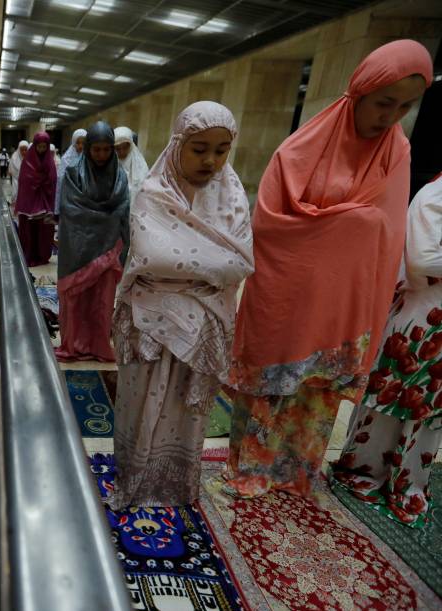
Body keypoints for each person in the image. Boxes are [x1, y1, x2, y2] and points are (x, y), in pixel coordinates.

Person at [226, 40, 434, 499]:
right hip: (288, 294)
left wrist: (349, 225)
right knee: (273, 386)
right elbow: (269, 222)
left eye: (405, 106)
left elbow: (387, 234)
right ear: (359, 92)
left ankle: (296, 470)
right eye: (384, 102)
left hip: (344, 302)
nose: (391, 116)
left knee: (316, 392)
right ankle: (254, 467)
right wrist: (351, 223)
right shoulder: (305, 146)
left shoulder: (396, 152)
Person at [110, 101, 254, 509]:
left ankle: (172, 486)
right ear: (177, 145)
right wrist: (206, 267)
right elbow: (153, 255)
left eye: (221, 149)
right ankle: (135, 480)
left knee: (184, 411)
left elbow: (240, 262)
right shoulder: (152, 194)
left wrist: (187, 266)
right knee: (141, 404)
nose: (211, 160)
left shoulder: (233, 195)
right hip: (151, 328)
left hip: (204, 327)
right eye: (199, 148)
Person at [331, 173, 442, 526]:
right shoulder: (435, 193)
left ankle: (406, 483)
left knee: (429, 404)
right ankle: (363, 469)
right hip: (421, 313)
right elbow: (422, 259)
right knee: (389, 398)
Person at [55, 121, 130, 363]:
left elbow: (123, 212)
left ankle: (98, 345)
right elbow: (71, 211)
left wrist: (111, 231)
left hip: (108, 250)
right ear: (88, 149)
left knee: (102, 300)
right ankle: (74, 345)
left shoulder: (120, 176)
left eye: (106, 149)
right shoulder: (73, 173)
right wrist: (104, 219)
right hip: (78, 250)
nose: (101, 154)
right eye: (96, 149)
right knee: (77, 301)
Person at [14, 132, 57, 267]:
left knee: (43, 231)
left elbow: (53, 180)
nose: (42, 150)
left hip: (45, 205)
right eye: (39, 147)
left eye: (45, 147)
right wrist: (38, 181)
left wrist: (44, 182)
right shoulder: (28, 162)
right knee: (29, 232)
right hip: (29, 206)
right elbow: (24, 181)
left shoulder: (50, 162)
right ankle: (29, 255)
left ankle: (42, 255)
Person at [54, 128, 87, 216]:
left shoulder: (90, 157)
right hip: (69, 196)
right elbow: (61, 179)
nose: (80, 146)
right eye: (78, 143)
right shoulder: (66, 159)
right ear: (73, 142)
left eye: (83, 143)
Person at [114, 126, 150, 203]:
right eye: (118, 148)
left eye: (125, 148)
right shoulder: (109, 166)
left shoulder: (141, 166)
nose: (122, 152)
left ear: (131, 146)